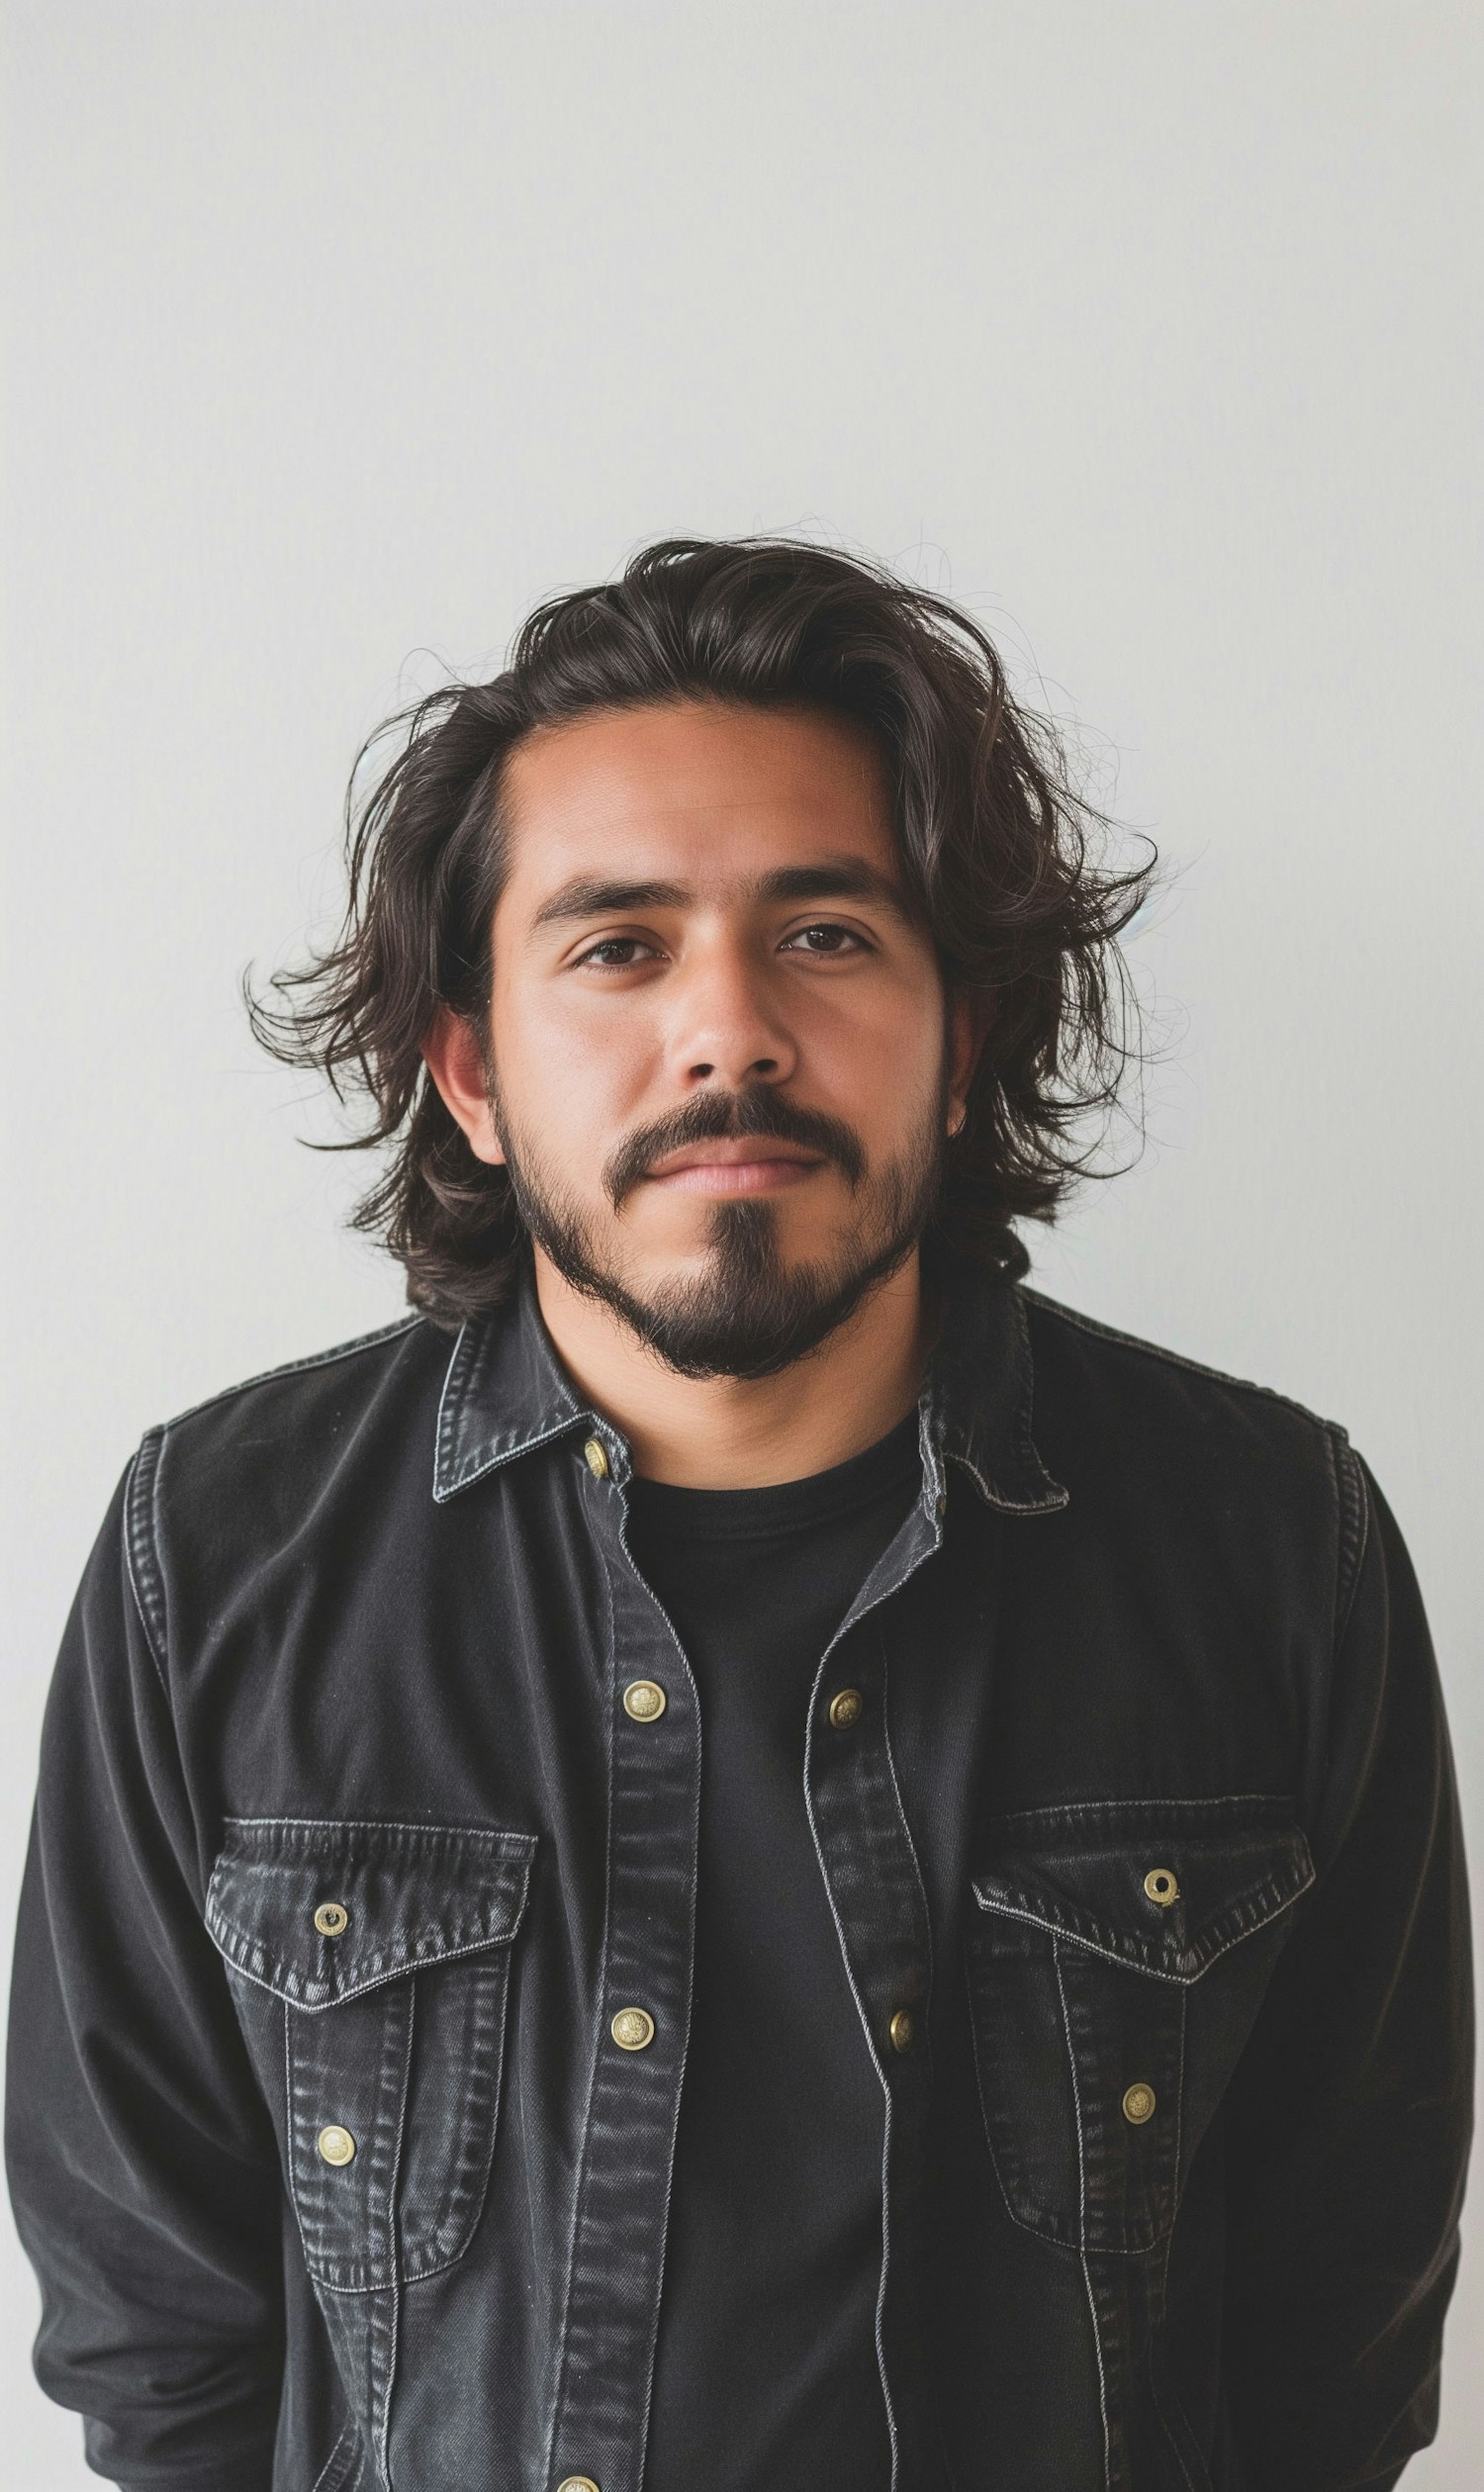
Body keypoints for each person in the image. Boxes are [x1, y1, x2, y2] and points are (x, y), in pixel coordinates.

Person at [5, 537, 1471, 2492]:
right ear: (471, 1070)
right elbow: (158, 2330)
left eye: (830, 935)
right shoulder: (226, 1553)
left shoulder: (1273, 1548)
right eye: (618, 945)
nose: (727, 1034)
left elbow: (1334, 2335)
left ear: (963, 1038)